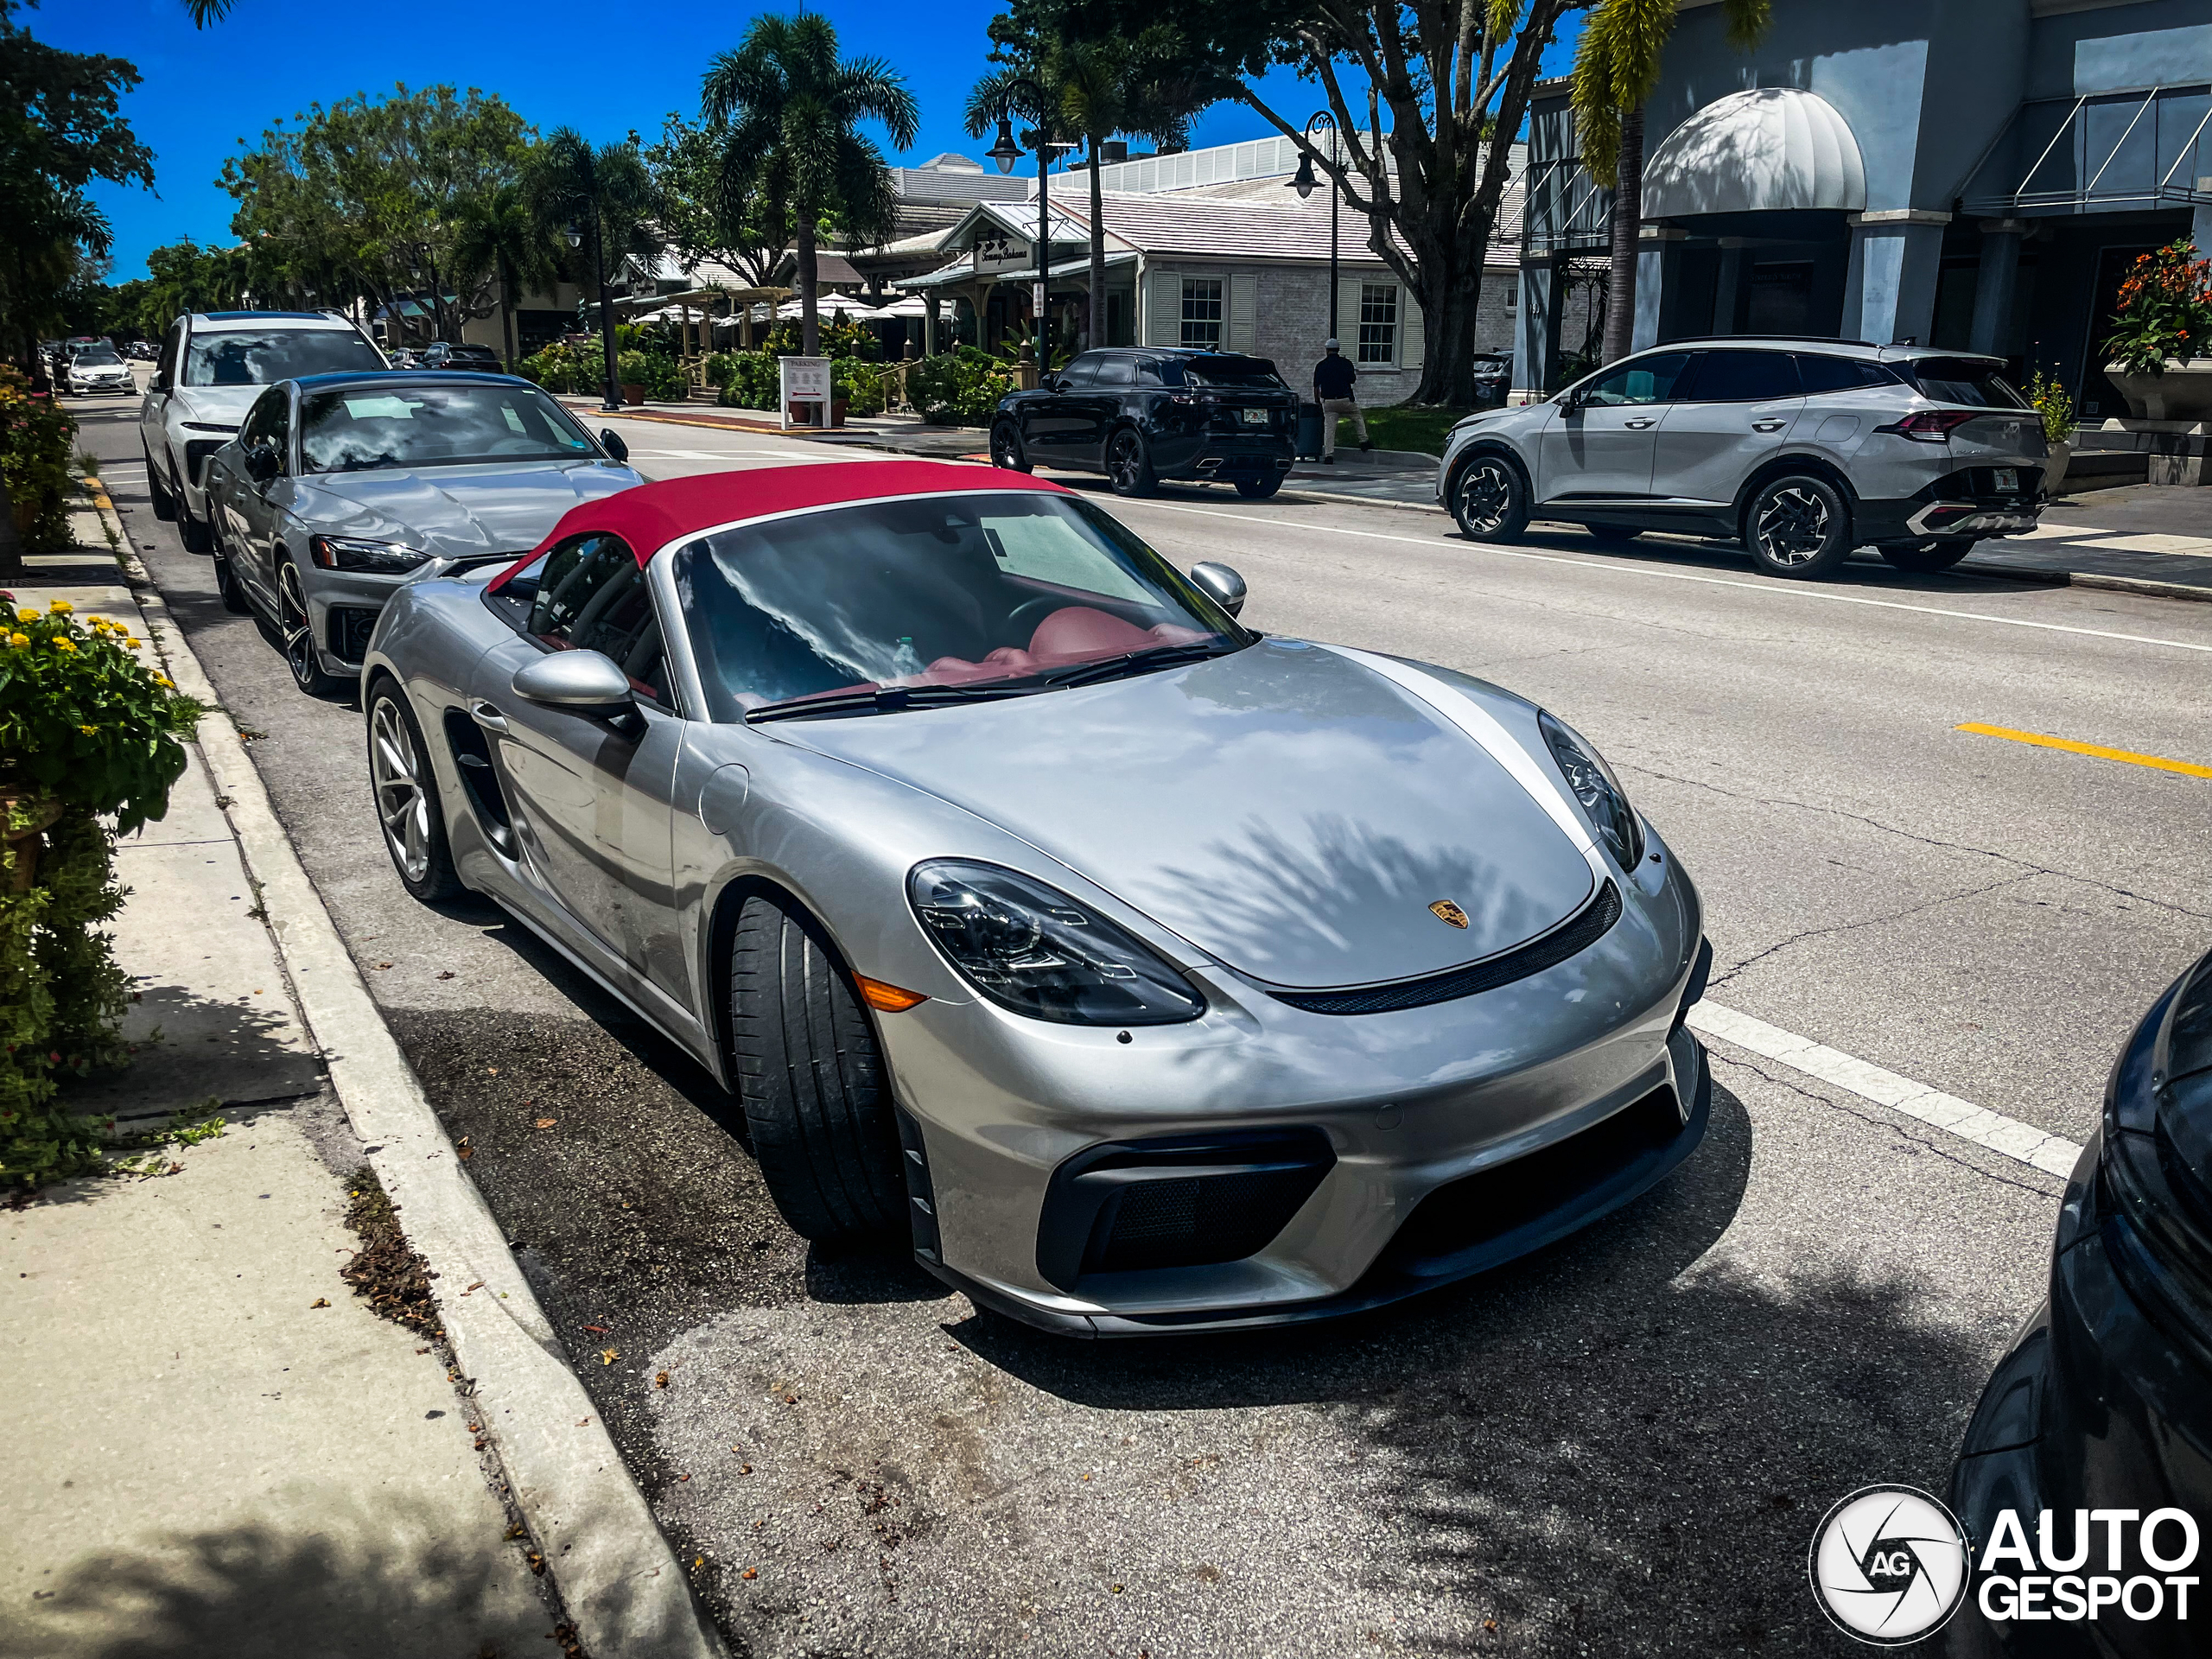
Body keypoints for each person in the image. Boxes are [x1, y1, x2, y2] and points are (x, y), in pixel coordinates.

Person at [1313, 339, 1373, 461]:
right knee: (1357, 417)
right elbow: (1352, 380)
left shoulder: (1321, 365)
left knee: (1329, 429)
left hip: (1329, 401)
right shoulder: (1346, 363)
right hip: (1345, 399)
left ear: (1327, 350)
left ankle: (1329, 455)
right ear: (1338, 350)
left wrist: (1317, 401)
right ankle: (1363, 441)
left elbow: (1316, 386)